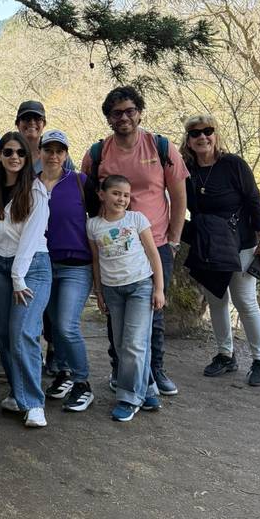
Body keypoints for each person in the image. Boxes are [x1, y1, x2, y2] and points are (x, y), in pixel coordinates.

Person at [81, 86, 188, 396]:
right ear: (109, 118)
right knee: (116, 314)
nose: (124, 117)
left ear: (139, 112)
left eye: (129, 110)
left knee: (154, 310)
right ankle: (120, 371)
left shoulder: (160, 147)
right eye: (117, 113)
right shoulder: (98, 153)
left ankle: (155, 372)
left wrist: (174, 240)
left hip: (155, 242)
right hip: (114, 244)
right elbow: (88, 194)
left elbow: (179, 196)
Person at [181, 114, 260, 386]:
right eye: (195, 133)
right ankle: (225, 354)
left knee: (245, 300)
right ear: (188, 140)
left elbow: (254, 200)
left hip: (241, 244)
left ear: (216, 134)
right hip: (209, 246)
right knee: (216, 301)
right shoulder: (187, 171)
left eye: (207, 131)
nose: (202, 137)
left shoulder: (233, 165)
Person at [0, 131, 52, 426]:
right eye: (8, 152)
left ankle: (34, 403)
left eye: (20, 153)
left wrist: (18, 277)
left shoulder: (36, 192)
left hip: (31, 267)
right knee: (4, 334)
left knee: (23, 331)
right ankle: (18, 391)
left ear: (28, 158)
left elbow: (30, 238)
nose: (14, 157)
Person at [87, 175, 164, 422]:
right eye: (116, 193)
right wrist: (98, 292)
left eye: (126, 195)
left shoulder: (136, 219)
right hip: (113, 291)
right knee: (122, 345)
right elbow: (96, 261)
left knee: (135, 344)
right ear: (102, 194)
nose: (122, 199)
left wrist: (159, 289)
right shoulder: (93, 225)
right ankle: (149, 388)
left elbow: (154, 255)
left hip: (140, 286)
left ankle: (129, 398)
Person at [38, 130, 94, 411]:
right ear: (40, 152)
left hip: (76, 265)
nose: (54, 155)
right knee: (52, 326)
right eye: (49, 149)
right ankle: (64, 373)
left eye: (60, 150)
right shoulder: (31, 184)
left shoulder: (80, 182)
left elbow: (100, 221)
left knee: (66, 325)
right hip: (43, 265)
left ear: (66, 154)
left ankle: (83, 383)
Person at [15, 101, 47, 173]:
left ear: (44, 124)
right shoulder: (8, 154)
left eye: (37, 118)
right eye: (26, 118)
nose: (32, 122)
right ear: (17, 124)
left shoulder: (56, 153)